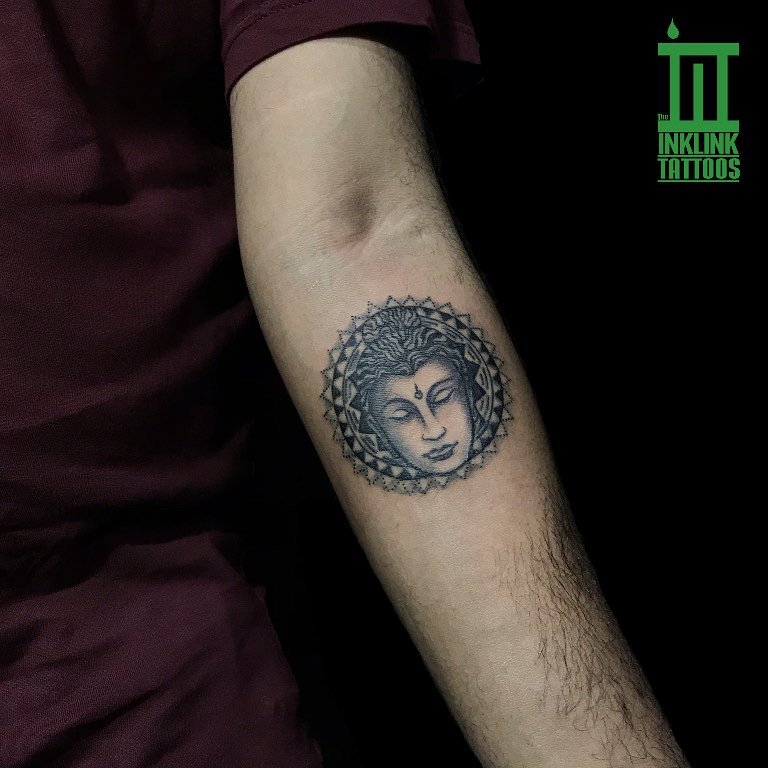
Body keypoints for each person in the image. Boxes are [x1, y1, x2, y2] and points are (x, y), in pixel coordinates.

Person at [0, 2, 689, 767]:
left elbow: (355, 231)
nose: (433, 427)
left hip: (147, 651)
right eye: (410, 407)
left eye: (436, 399)